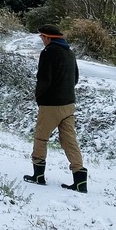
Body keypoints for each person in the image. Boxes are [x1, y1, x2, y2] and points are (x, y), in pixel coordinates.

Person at [23, 25, 88, 192]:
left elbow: (44, 79)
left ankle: (38, 175)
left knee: (41, 138)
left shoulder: (48, 53)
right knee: (69, 140)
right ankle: (80, 179)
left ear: (47, 37)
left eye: (42, 37)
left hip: (51, 104)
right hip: (68, 103)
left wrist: (39, 98)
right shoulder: (69, 52)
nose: (41, 40)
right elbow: (75, 78)